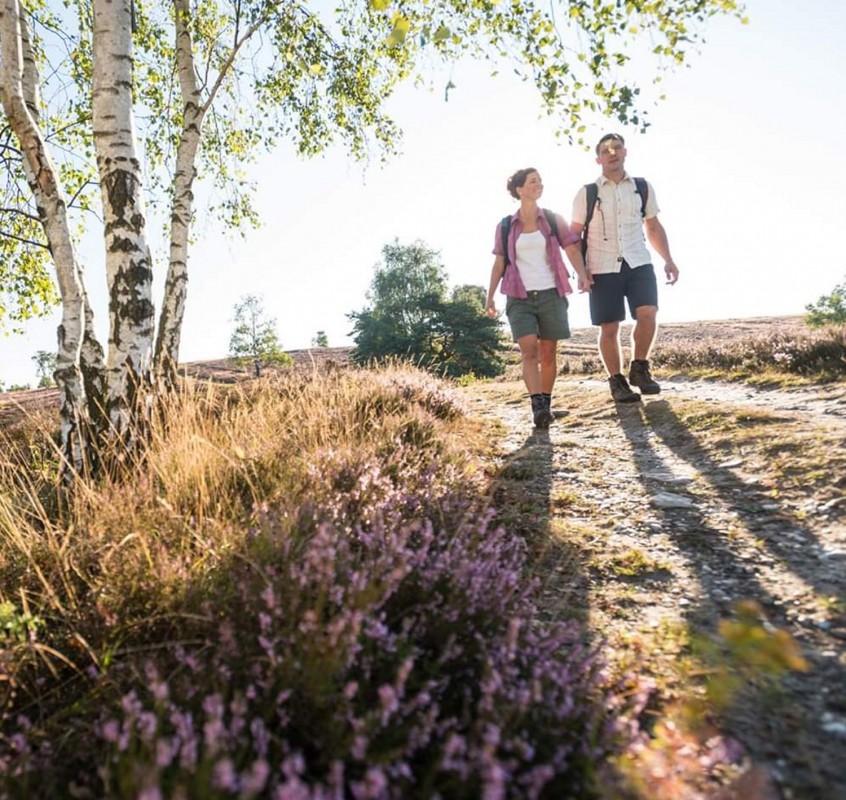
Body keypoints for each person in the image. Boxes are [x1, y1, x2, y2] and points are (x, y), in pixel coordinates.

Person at [570, 133, 679, 403]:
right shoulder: (588, 193)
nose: (612, 154)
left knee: (648, 313)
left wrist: (668, 259)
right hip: (602, 266)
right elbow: (573, 236)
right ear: (598, 159)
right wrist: (581, 271)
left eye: (617, 148)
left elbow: (653, 227)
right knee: (609, 326)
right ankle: (617, 381)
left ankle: (640, 369)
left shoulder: (641, 187)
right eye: (606, 151)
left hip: (638, 261)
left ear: (625, 152)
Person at [486, 167, 592, 428]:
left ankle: (546, 403)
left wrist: (582, 274)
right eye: (533, 181)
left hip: (551, 294)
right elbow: (499, 263)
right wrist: (490, 297)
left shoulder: (553, 219)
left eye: (541, 181)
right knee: (529, 351)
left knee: (548, 353)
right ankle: (537, 406)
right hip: (519, 296)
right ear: (519, 189)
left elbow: (571, 248)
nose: (539, 185)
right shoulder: (506, 226)